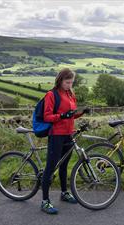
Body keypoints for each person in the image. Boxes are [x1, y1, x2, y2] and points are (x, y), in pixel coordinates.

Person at [41, 68, 90, 214]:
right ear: (60, 80)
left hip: (68, 134)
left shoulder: (70, 94)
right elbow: (47, 117)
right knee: (50, 167)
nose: (70, 85)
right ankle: (44, 201)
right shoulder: (51, 94)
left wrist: (80, 113)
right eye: (67, 82)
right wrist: (62, 115)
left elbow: (71, 115)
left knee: (64, 166)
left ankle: (64, 193)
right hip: (56, 135)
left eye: (71, 82)